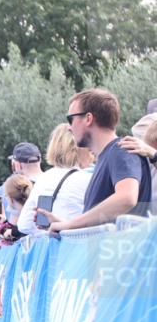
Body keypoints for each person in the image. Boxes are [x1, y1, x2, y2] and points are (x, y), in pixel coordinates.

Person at [41, 89, 152, 231]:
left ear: (88, 118)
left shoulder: (121, 150)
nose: (69, 127)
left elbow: (127, 198)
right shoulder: (109, 155)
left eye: (71, 119)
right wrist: (67, 226)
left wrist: (70, 224)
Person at [17, 123, 93, 236]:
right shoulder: (89, 180)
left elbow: (24, 225)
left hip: (52, 249)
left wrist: (45, 229)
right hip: (80, 248)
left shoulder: (43, 179)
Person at [0, 175, 32, 245]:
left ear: (10, 198)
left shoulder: (24, 221)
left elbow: (21, 230)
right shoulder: (33, 212)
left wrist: (9, 231)